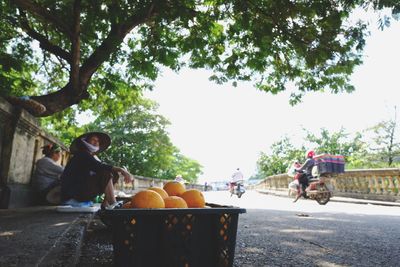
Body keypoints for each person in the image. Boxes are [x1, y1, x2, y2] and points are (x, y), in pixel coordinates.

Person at [60, 132, 134, 209]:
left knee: (114, 174)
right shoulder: (82, 154)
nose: (96, 142)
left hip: (81, 191)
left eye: (98, 141)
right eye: (93, 140)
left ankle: (106, 204)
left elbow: (101, 166)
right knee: (105, 172)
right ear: (84, 141)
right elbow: (100, 166)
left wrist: (118, 171)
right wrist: (121, 170)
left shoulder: (90, 156)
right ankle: (113, 203)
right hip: (72, 195)